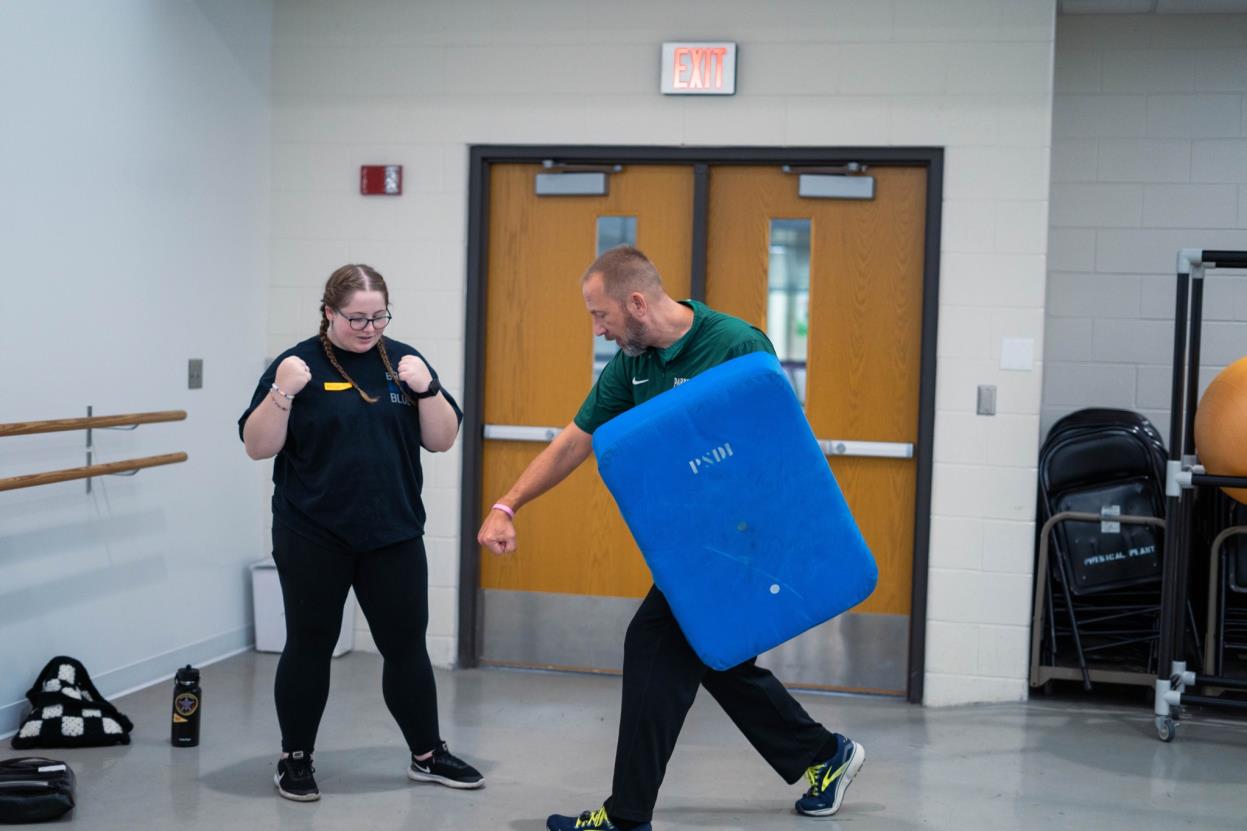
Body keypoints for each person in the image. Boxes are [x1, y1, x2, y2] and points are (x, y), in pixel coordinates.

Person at [477, 246, 865, 831]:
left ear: (636, 302)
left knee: (655, 646)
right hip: (695, 547)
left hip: (745, 542)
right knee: (717, 655)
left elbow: (778, 449)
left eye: (600, 314)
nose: (598, 328)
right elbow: (574, 441)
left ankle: (627, 817)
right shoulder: (630, 366)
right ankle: (822, 754)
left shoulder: (735, 344)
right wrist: (508, 504)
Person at [240, 263, 483, 802]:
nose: (369, 328)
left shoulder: (404, 361)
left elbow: (442, 440)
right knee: (309, 645)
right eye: (356, 318)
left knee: (406, 647)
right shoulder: (294, 364)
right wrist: (281, 394)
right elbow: (258, 446)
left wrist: (429, 388)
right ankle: (295, 758)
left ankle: (427, 754)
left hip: (392, 533)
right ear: (329, 312)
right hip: (312, 533)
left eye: (378, 317)